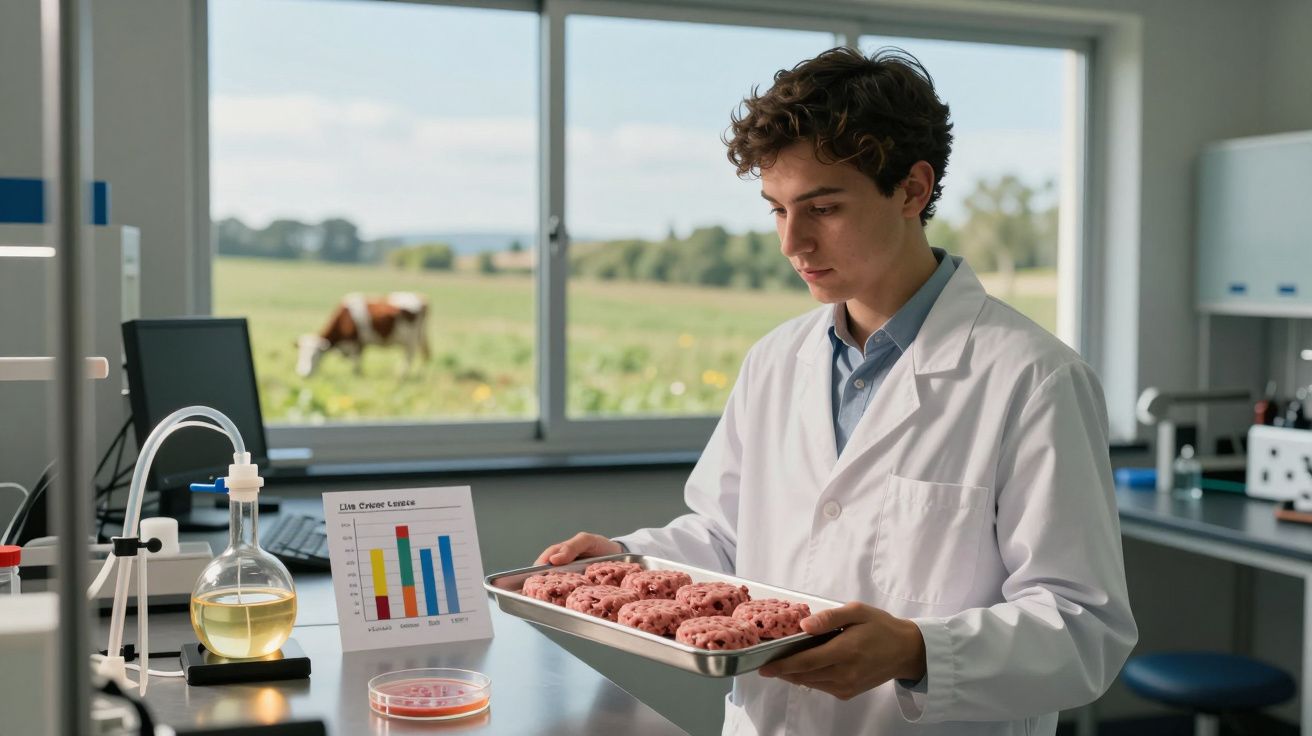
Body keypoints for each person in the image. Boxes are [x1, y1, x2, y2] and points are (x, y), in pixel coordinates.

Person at [535, 46, 1137, 736]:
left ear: (912, 190)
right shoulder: (775, 361)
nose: (793, 241)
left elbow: (1082, 627)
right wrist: (623, 564)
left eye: (822, 207)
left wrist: (916, 650)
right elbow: (725, 537)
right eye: (777, 210)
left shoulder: (1033, 380)